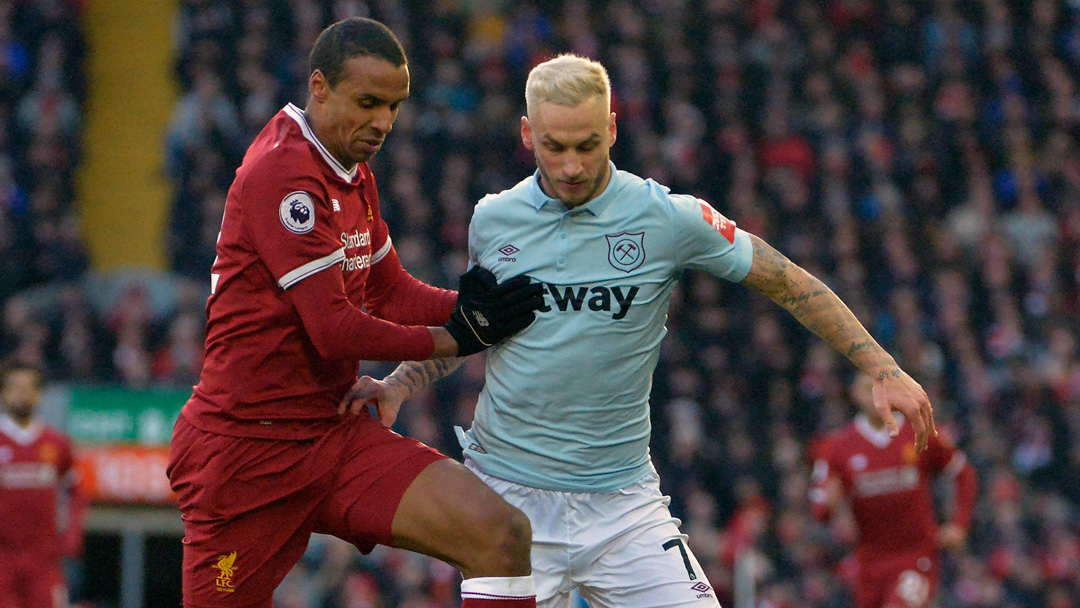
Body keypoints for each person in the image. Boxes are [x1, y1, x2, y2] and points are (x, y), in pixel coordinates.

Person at [339, 54, 937, 607]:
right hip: (506, 505)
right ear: (527, 135)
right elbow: (474, 330)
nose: (571, 166)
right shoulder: (496, 220)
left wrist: (882, 368)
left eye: (587, 145)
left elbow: (785, 279)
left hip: (622, 506)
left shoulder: (668, 218)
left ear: (614, 130)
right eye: (554, 147)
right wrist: (397, 385)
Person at [166, 18, 545, 608]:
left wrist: (476, 310)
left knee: (502, 535)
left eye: (393, 106)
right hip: (245, 456)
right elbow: (334, 331)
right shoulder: (283, 173)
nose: (384, 123)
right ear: (319, 86)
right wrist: (461, 334)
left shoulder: (350, 170)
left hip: (332, 431)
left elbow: (389, 289)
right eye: (368, 103)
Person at [808, 374, 977, 608]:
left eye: (883, 388)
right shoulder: (836, 447)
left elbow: (964, 475)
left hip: (917, 555)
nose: (877, 395)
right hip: (870, 563)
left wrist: (959, 524)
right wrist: (830, 504)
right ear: (855, 394)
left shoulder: (920, 432)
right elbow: (819, 509)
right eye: (869, 388)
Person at [0, 359, 85, 608]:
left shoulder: (56, 443)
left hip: (44, 560)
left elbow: (75, 493)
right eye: (15, 387)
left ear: (39, 395)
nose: (21, 394)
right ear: (3, 392)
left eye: (28, 388)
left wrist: (71, 535)